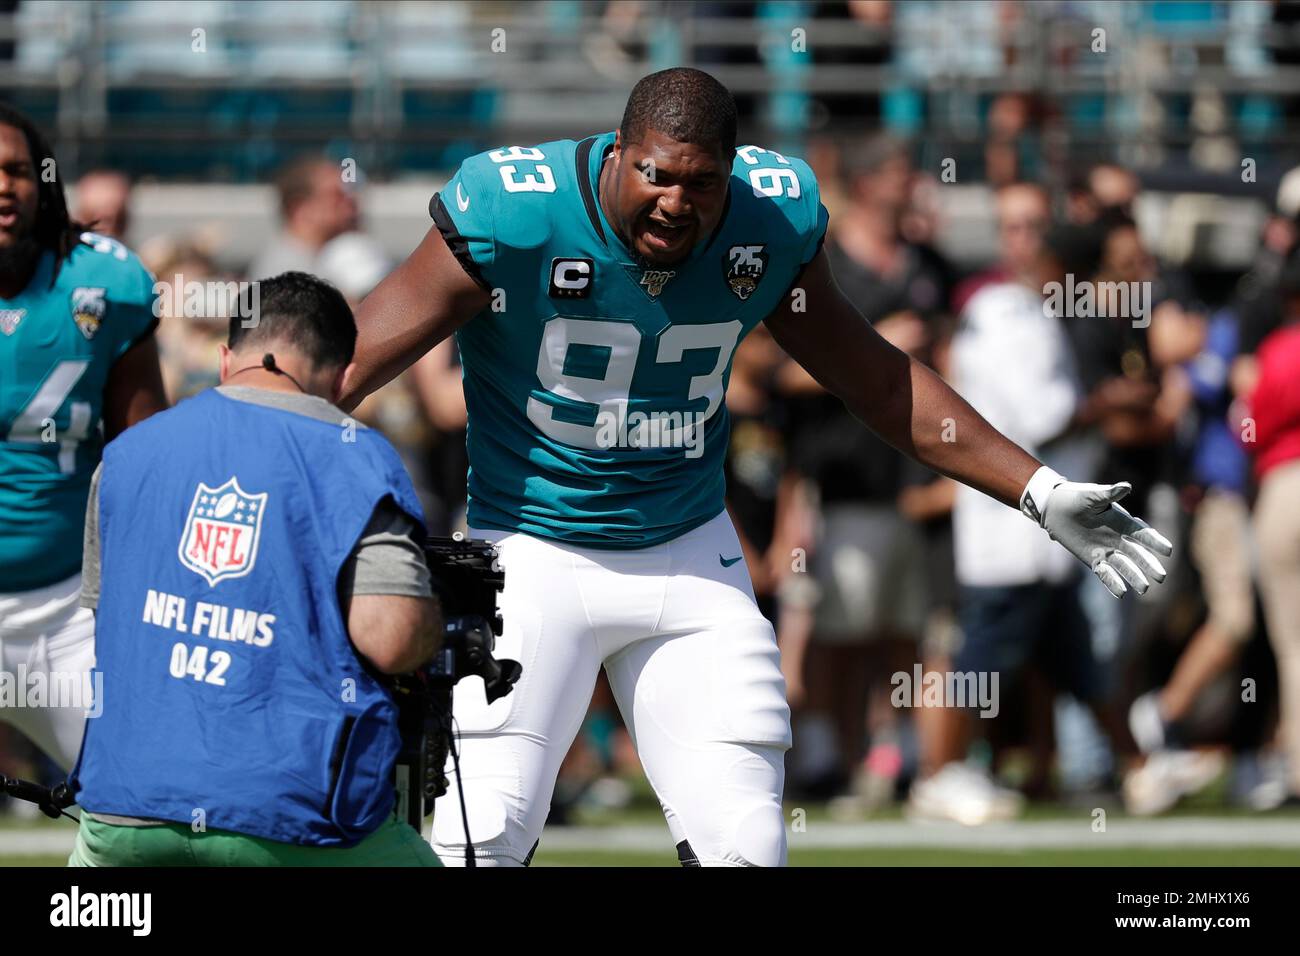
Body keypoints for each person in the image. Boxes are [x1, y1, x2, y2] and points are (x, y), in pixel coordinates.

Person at [343, 68, 1173, 867]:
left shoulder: (768, 219)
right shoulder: (515, 210)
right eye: (656, 176)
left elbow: (879, 382)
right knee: (475, 843)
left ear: (732, 177)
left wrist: (1036, 488)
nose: (675, 203)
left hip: (686, 555)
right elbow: (345, 361)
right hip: (527, 549)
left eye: (701, 184)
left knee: (744, 845)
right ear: (618, 151)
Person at [67, 272, 443, 866]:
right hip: (288, 817)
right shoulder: (357, 456)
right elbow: (392, 640)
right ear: (344, 376)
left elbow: (109, 624)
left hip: (122, 812)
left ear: (224, 359)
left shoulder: (126, 455)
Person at [0, 103, 167, 773]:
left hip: (66, 606)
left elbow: (147, 453)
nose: (2, 186)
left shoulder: (106, 281)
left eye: (15, 170)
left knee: (142, 800)